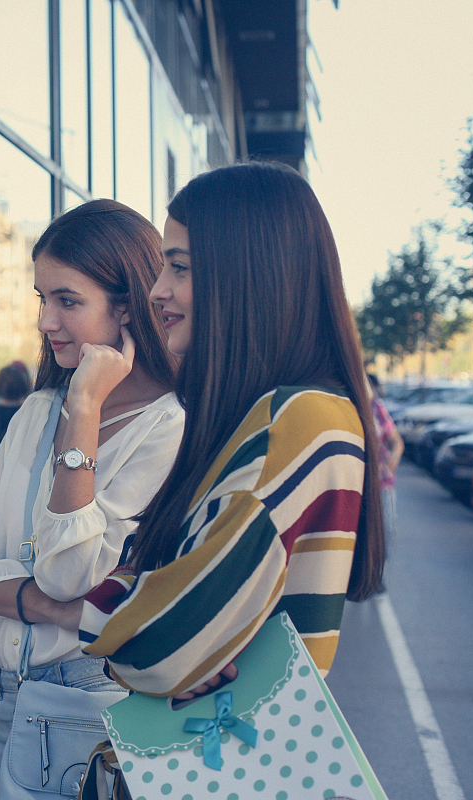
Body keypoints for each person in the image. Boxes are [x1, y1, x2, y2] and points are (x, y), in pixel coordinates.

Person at [79, 162, 385, 704]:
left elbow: (154, 645)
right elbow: (155, 593)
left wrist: (56, 604)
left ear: (248, 274)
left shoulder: (298, 419)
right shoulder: (284, 412)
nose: (156, 291)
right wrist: (148, 608)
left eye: (180, 268)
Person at [0, 200, 183, 799]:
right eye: (42, 299)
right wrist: (43, 602)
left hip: (90, 712)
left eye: (67, 301)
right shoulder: (36, 412)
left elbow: (72, 574)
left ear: (126, 306)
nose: (47, 321)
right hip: (6, 700)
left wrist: (86, 408)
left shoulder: (169, 426)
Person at [368, 372, 403, 553]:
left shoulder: (376, 408)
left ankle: (376, 577)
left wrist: (394, 459)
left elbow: (397, 441)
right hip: (356, 485)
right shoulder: (345, 407)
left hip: (382, 483)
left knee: (386, 534)